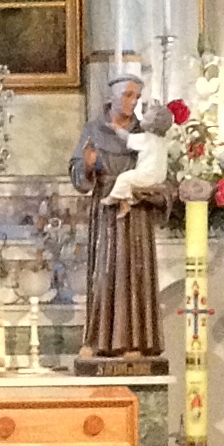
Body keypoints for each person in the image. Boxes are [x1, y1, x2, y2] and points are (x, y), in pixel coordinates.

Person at [70, 75, 165, 363]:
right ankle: (98, 339)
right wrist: (86, 167)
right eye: (127, 95)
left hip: (137, 212)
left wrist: (147, 191)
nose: (132, 102)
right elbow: (78, 174)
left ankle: (136, 341)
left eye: (136, 97)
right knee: (104, 274)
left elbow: (160, 171)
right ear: (112, 97)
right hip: (106, 212)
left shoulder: (147, 132)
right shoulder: (94, 129)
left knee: (136, 275)